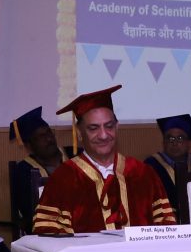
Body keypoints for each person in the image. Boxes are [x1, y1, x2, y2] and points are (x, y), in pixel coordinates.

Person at [32, 86, 177, 234]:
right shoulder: (63, 179)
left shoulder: (143, 174)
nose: (103, 135)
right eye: (93, 128)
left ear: (117, 127)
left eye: (109, 126)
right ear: (79, 133)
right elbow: (48, 233)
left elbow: (166, 227)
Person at [144, 114, 191, 223]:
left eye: (180, 138)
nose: (174, 143)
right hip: (164, 222)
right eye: (170, 138)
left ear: (188, 143)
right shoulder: (151, 165)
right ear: (163, 142)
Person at [7, 106, 66, 231]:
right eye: (41, 136)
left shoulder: (75, 155)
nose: (49, 138)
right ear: (29, 145)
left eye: (49, 132)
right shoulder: (23, 171)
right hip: (45, 231)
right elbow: (28, 211)